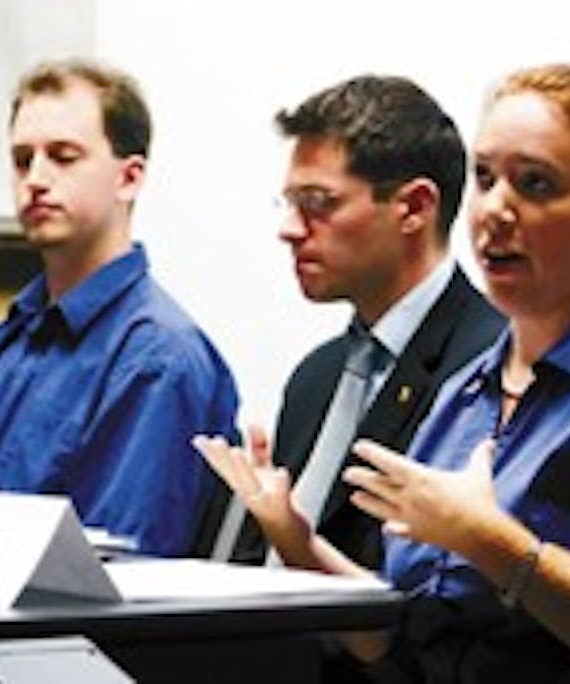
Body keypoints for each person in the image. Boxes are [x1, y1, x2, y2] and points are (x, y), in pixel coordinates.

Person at [194, 64, 570, 683]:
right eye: (485, 178)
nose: (494, 210)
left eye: (536, 185)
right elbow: (412, 643)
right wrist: (297, 543)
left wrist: (494, 545)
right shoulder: (470, 389)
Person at [0, 60, 239, 557]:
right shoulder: (15, 332)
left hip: (58, 631)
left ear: (129, 179)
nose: (36, 179)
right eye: (22, 159)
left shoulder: (158, 357)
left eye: (64, 157)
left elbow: (120, 569)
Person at [193, 75, 505, 568]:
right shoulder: (316, 377)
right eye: (291, 203)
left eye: (318, 204)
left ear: (414, 208)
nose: (289, 230)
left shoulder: (490, 369)